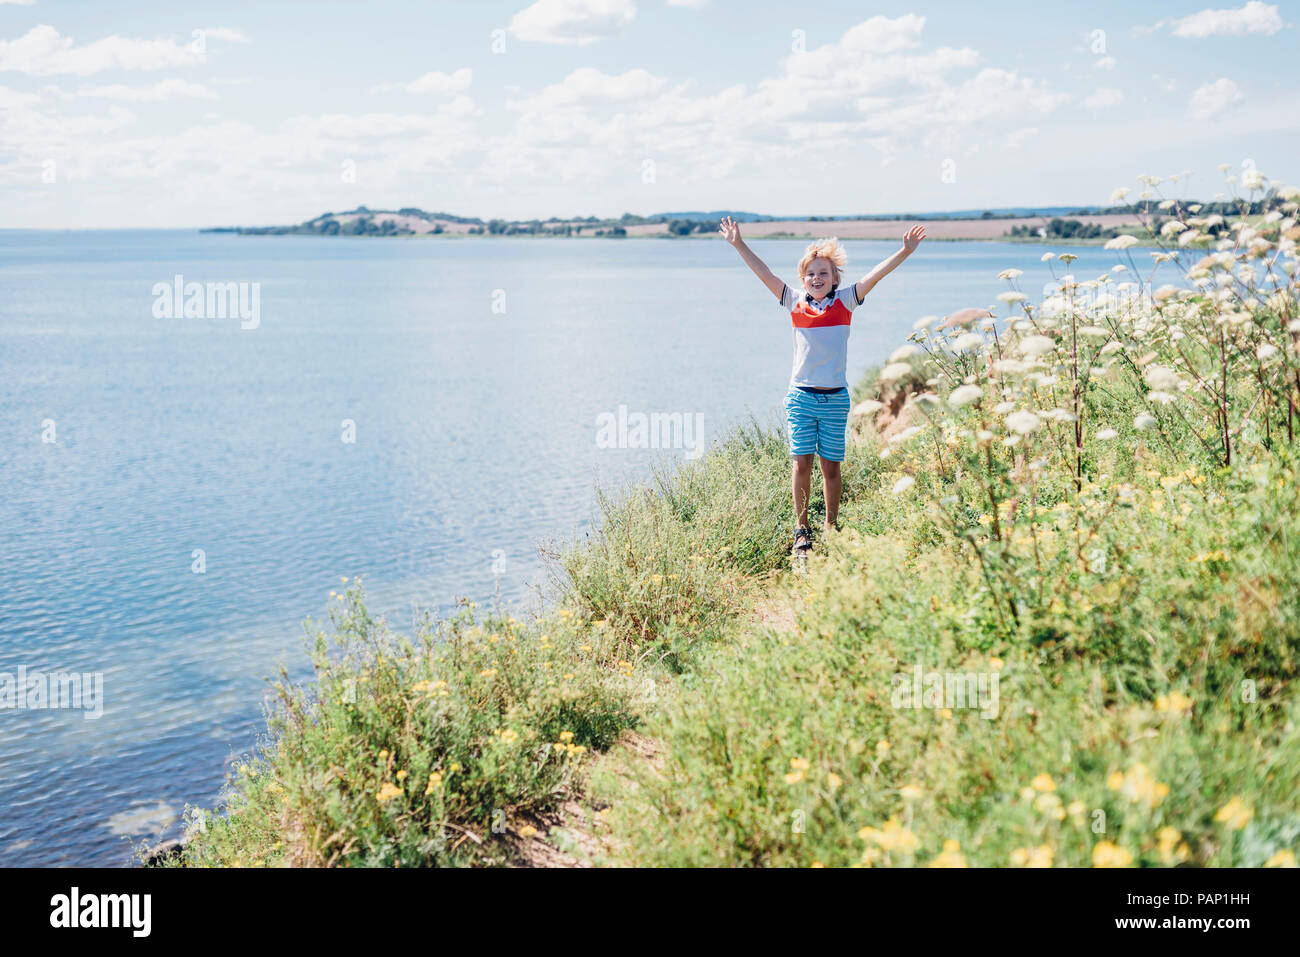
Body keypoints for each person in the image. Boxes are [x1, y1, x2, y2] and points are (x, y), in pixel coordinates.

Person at [719, 217, 926, 555]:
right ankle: (802, 529)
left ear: (834, 278)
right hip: (800, 396)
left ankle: (831, 527)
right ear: (803, 279)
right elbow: (765, 274)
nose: (817, 278)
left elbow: (877, 274)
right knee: (801, 463)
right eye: (811, 274)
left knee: (831, 467)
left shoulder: (846, 301)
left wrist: (904, 251)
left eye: (823, 273)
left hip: (835, 400)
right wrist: (738, 243)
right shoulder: (793, 300)